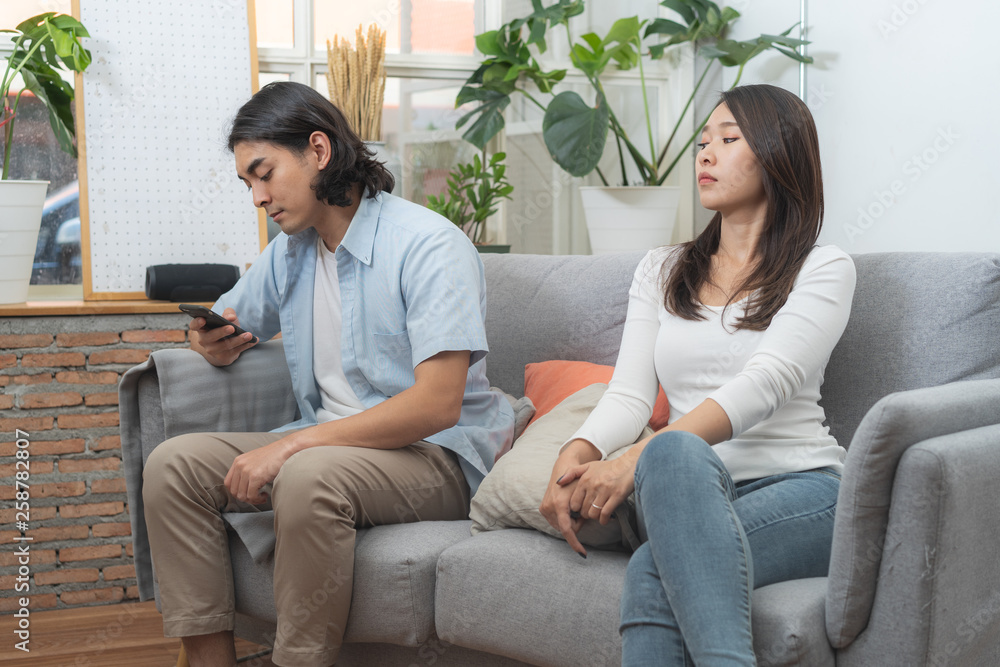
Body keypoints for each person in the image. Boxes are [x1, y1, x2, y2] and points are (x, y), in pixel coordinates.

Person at [142, 81, 514, 667]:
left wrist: (293, 445)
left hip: (436, 455)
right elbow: (232, 319)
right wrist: (208, 339)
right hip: (330, 445)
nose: (258, 197)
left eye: (265, 174)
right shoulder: (291, 251)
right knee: (173, 466)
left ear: (318, 150)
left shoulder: (428, 245)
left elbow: (437, 405)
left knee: (306, 473)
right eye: (247, 183)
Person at [539, 84, 856, 664]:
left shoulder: (823, 267)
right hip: (686, 489)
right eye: (703, 141)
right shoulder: (661, 268)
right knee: (674, 455)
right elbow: (629, 394)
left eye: (728, 140)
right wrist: (576, 451)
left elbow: (765, 384)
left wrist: (631, 460)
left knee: (653, 554)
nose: (705, 154)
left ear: (778, 153)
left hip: (804, 489)